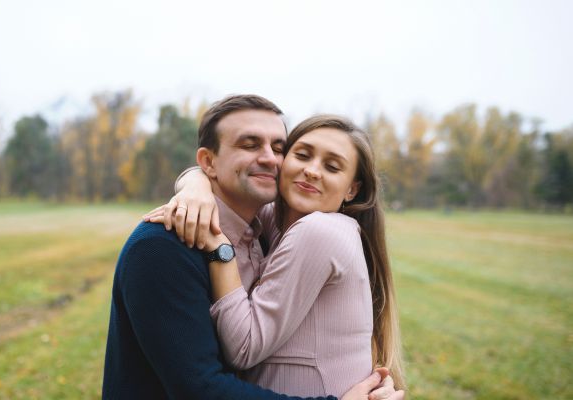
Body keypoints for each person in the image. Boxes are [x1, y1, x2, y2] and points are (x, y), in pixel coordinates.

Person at [102, 95, 404, 400]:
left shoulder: (265, 233)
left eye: (278, 148)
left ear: (353, 188)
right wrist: (194, 183)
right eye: (249, 145)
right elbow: (199, 389)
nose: (270, 159)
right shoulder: (160, 248)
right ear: (208, 162)